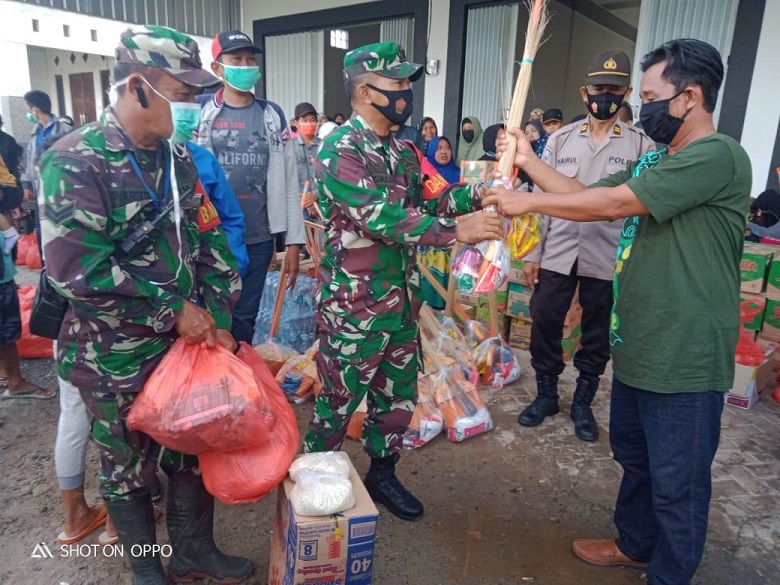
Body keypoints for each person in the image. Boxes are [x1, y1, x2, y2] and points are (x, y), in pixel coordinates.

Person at [485, 38, 750, 585]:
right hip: (642, 343)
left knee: (678, 479)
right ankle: (635, 544)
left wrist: (526, 201)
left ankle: (669, 574)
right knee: (636, 457)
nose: (641, 106)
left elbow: (610, 205)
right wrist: (530, 162)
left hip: (686, 350)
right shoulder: (658, 158)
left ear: (690, 97)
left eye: (651, 96)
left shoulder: (716, 155)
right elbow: (583, 192)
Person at [39, 25, 252, 584]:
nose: (193, 106)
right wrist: (175, 311)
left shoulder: (177, 161)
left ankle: (192, 551)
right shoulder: (75, 161)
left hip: (185, 350)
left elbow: (210, 243)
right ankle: (147, 571)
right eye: (182, 95)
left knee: (189, 451)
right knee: (127, 467)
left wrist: (221, 320)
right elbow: (76, 273)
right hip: (110, 354)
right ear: (138, 88)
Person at [304, 42, 503, 522]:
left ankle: (383, 471)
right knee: (337, 401)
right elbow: (380, 218)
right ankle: (311, 486)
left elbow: (436, 198)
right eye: (396, 84)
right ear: (364, 91)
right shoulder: (339, 150)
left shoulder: (405, 150)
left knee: (396, 398)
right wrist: (457, 232)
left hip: (401, 303)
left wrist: (481, 192)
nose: (406, 93)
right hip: (353, 307)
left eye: (407, 83)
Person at [518, 50, 655, 443]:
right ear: (584, 92)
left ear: (627, 92)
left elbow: (639, 211)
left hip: (608, 258)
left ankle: (582, 401)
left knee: (597, 332)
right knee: (544, 318)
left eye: (614, 90)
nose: (605, 96)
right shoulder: (559, 140)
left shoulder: (640, 146)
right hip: (559, 250)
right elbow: (539, 197)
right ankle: (546, 395)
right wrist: (532, 254)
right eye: (599, 88)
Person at [197, 29, 304, 344]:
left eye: (250, 59)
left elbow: (289, 182)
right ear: (218, 67)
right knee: (209, 317)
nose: (245, 65)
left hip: (258, 239)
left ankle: (237, 381)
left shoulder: (272, 115)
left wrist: (294, 243)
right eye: (236, 59)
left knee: (245, 318)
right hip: (211, 238)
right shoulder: (202, 113)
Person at [0, 227, 54, 399]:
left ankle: (9, 376)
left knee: (7, 334)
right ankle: (15, 382)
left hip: (4, 280)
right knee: (7, 333)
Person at [20, 90, 72, 254]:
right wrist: (27, 184)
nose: (28, 113)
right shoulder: (34, 133)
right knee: (43, 234)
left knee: (63, 234)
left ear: (35, 109)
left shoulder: (64, 129)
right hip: (39, 193)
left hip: (61, 192)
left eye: (28, 109)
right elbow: (28, 160)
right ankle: (47, 273)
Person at [286, 102, 321, 219]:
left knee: (322, 236)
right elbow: (285, 178)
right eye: (305, 120)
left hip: (322, 206)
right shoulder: (288, 147)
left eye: (312, 120)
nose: (309, 124)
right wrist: (305, 198)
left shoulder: (325, 146)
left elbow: (332, 177)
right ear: (295, 122)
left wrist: (315, 194)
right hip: (297, 208)